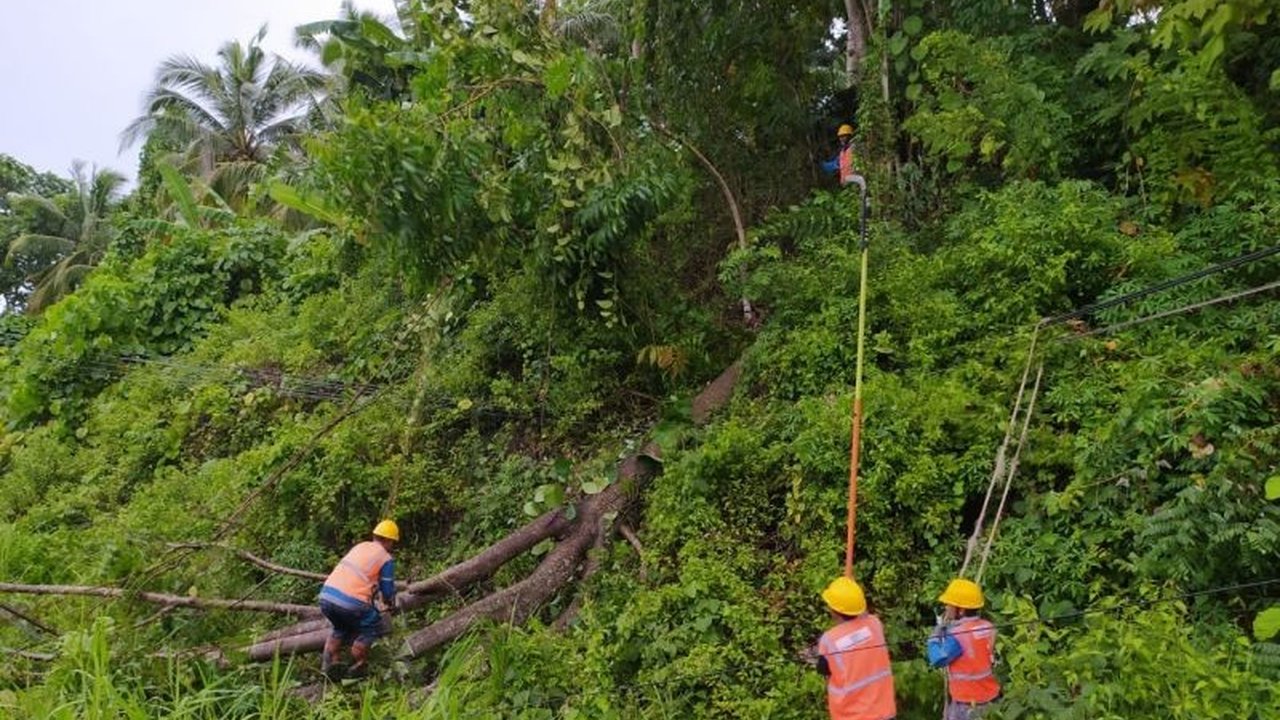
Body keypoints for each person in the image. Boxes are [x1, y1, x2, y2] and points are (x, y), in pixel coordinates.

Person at [319, 519, 400, 679]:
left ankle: (328, 665)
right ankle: (358, 665)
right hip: (351, 602)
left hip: (326, 596)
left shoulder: (360, 546)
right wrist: (390, 604)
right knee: (372, 626)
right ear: (389, 540)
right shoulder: (385, 558)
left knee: (340, 628)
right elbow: (387, 589)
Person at [814, 576, 897, 720]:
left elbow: (823, 671)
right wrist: (853, 597)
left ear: (833, 610)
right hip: (884, 712)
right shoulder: (874, 625)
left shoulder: (829, 640)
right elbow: (864, 615)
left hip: (851, 715)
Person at [926, 578, 1001, 719]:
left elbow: (938, 659)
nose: (946, 608)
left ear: (961, 610)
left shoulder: (957, 635)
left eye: (950, 605)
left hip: (967, 704)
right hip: (991, 698)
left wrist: (934, 639)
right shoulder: (988, 626)